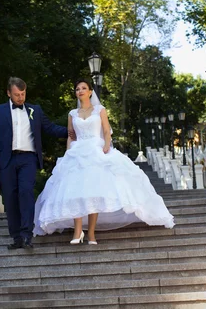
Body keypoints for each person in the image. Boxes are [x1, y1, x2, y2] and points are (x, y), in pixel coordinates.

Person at [33, 79, 174, 244]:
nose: (80, 91)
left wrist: (106, 146)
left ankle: (91, 233)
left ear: (90, 91)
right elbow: (71, 136)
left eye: (84, 88)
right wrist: (68, 153)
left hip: (96, 149)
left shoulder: (100, 110)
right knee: (74, 191)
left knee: (94, 192)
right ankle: (78, 232)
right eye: (77, 89)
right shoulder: (72, 114)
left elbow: (107, 131)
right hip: (77, 153)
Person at [0, 77, 69, 249]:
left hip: (28, 158)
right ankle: (16, 238)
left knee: (26, 192)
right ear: (9, 93)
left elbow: (50, 128)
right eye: (17, 94)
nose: (20, 98)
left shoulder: (34, 110)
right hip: (6, 159)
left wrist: (72, 131)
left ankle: (26, 235)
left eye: (23, 94)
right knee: (9, 198)